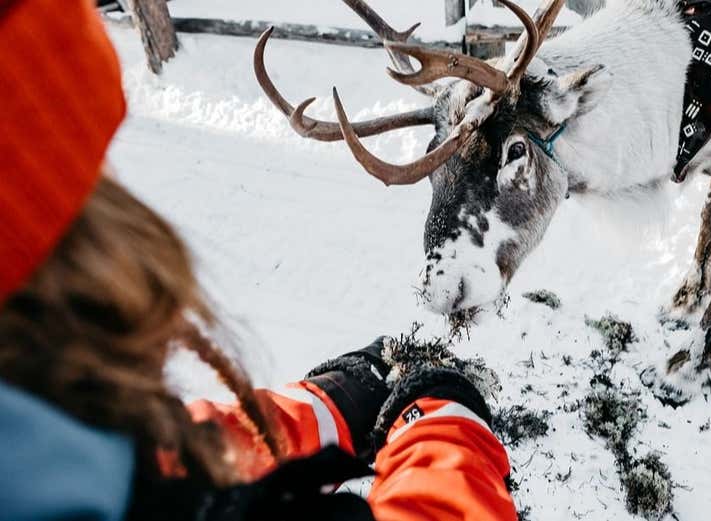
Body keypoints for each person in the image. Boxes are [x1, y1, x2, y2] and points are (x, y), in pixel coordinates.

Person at [0, 0, 518, 520]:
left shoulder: (51, 452)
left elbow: (162, 458)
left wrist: (332, 399)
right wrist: (448, 421)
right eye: (91, 181)